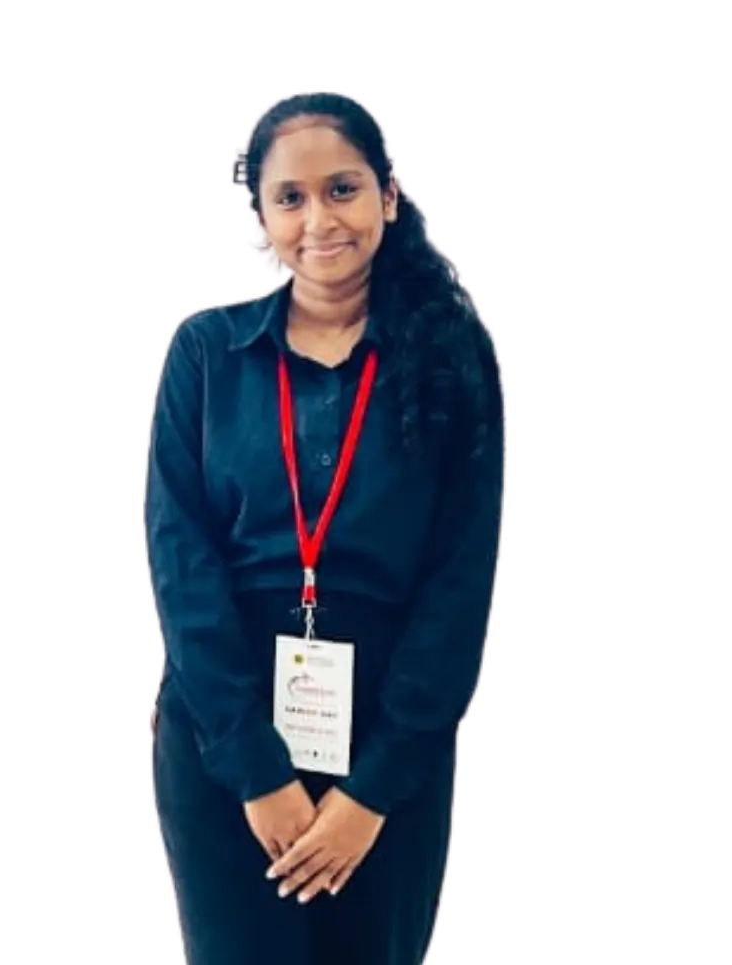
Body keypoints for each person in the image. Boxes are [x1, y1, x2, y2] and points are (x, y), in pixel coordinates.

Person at [145, 90, 506, 965]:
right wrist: (256, 771)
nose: (319, 220)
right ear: (260, 223)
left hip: (388, 750)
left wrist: (372, 789)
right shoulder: (206, 355)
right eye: (291, 198)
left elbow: (460, 582)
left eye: (342, 189)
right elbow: (183, 568)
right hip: (227, 748)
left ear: (389, 195)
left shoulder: (452, 359)